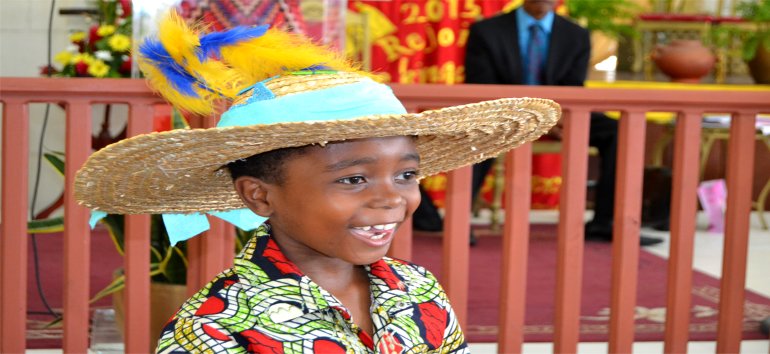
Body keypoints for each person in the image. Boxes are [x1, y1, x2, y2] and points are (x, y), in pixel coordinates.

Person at [74, 11, 560, 352]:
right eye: (353, 179)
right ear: (258, 194)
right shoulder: (214, 330)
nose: (392, 198)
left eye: (407, 174)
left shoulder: (418, 290)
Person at [462, 0, 663, 246]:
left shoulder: (576, 34)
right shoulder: (486, 31)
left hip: (557, 114)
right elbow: (482, 87)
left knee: (617, 131)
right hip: (503, 116)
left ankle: (605, 223)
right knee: (475, 135)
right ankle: (459, 224)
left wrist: (553, 118)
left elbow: (572, 88)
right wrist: (532, 119)